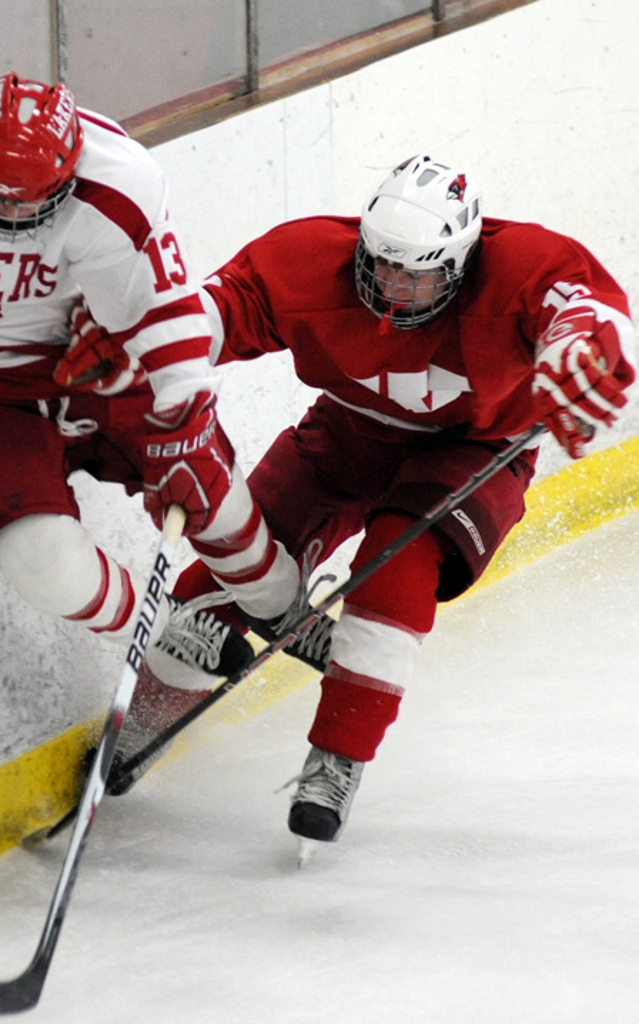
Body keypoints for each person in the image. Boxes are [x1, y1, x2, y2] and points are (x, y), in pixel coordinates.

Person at [0, 75, 331, 735]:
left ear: (71, 169)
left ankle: (278, 602)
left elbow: (168, 314)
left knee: (207, 488)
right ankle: (172, 627)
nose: (9, 219)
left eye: (33, 204)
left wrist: (184, 418)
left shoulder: (120, 184)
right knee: (42, 564)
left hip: (102, 362)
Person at [157, 154, 634, 848]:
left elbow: (590, 311)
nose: (392, 288)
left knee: (394, 571)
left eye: (416, 274)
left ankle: (334, 762)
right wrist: (152, 351)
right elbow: (220, 308)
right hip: (346, 433)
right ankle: (137, 724)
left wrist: (581, 347)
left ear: (460, 262)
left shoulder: (522, 264)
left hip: (472, 450)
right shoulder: (308, 257)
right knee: (207, 596)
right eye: (380, 266)